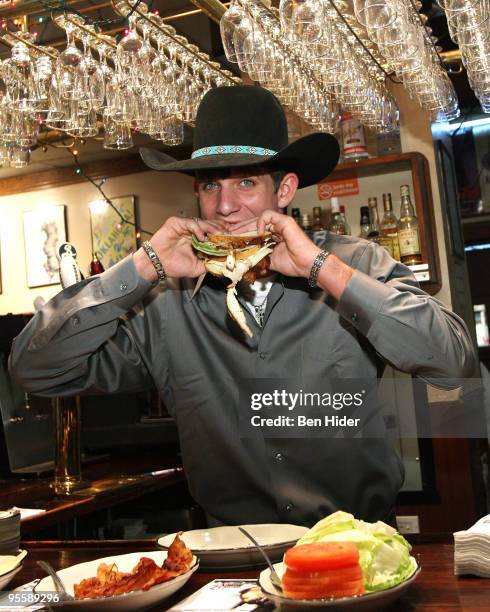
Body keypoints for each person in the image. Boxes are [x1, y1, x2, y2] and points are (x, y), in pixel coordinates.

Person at [9, 86, 476, 527]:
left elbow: (454, 362)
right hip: (233, 563)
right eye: (211, 186)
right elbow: (34, 369)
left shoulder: (353, 263)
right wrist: (144, 265)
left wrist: (321, 270)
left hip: (358, 545)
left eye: (247, 182)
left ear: (285, 189)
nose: (225, 206)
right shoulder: (161, 301)